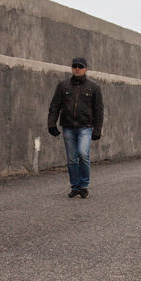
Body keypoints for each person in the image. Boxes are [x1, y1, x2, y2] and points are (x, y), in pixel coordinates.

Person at [47, 57, 104, 198]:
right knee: (72, 159)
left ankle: (84, 185)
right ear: (72, 68)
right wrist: (51, 124)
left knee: (83, 154)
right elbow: (54, 106)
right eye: (75, 66)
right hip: (68, 127)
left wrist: (97, 130)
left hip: (86, 127)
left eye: (80, 66)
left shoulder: (94, 87)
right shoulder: (63, 86)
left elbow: (99, 110)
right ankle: (75, 186)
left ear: (85, 69)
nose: (77, 69)